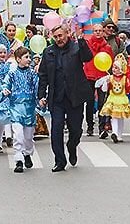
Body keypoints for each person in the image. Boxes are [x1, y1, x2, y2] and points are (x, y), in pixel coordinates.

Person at [37, 24, 93, 172]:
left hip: (75, 96)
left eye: (60, 36)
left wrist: (81, 40)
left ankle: (72, 146)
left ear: (67, 34)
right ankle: (60, 161)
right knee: (56, 130)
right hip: (57, 98)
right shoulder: (48, 52)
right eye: (55, 37)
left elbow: (88, 57)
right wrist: (41, 95)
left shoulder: (76, 47)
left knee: (76, 130)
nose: (58, 39)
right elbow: (43, 75)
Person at [2, 47, 38, 173]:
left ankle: (27, 153)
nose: (29, 59)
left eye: (29, 57)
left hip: (29, 108)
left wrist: (41, 99)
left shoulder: (32, 73)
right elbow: (5, 83)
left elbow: (37, 87)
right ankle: (18, 160)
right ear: (18, 59)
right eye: (26, 57)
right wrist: (5, 90)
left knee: (28, 136)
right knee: (18, 134)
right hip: (16, 107)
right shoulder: (12, 73)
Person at [82, 23, 113, 138]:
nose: (98, 32)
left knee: (101, 103)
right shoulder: (87, 44)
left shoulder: (107, 47)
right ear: (93, 32)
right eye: (96, 30)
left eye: (100, 30)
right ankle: (90, 126)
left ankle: (101, 127)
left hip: (102, 76)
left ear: (103, 32)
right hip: (89, 75)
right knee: (89, 102)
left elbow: (110, 61)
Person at [98, 54, 130, 143]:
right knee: (114, 116)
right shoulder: (110, 78)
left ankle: (119, 135)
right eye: (113, 67)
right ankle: (114, 132)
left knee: (121, 118)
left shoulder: (125, 79)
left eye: (116, 68)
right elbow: (104, 90)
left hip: (122, 99)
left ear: (121, 69)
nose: (114, 69)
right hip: (113, 99)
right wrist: (106, 83)